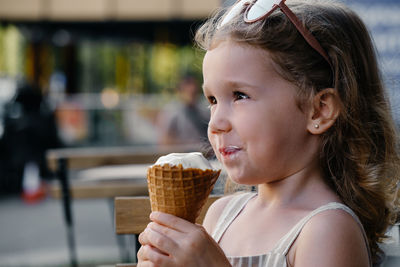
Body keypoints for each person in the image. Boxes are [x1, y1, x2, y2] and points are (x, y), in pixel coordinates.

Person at [137, 0, 400, 266]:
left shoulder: (328, 229)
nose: (216, 123)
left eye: (240, 96)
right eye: (213, 100)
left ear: (319, 111)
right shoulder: (221, 215)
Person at [157, 75, 209, 145]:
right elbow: (164, 141)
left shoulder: (204, 111)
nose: (192, 96)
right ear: (180, 92)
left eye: (195, 93)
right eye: (189, 93)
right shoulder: (171, 113)